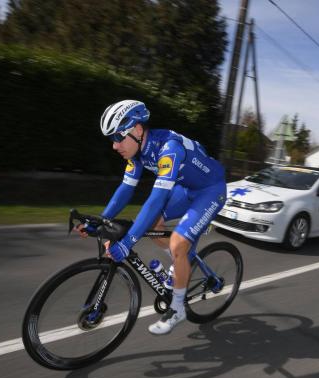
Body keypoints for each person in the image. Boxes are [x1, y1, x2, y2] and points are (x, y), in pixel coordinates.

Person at [77, 99, 226, 335]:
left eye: (117, 137)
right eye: (111, 139)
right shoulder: (136, 153)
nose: (114, 146)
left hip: (210, 191)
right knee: (154, 224)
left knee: (177, 242)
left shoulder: (169, 148)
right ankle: (180, 264)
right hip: (185, 188)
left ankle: (178, 309)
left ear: (137, 130)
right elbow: (126, 189)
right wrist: (101, 219)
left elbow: (156, 199)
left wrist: (127, 243)